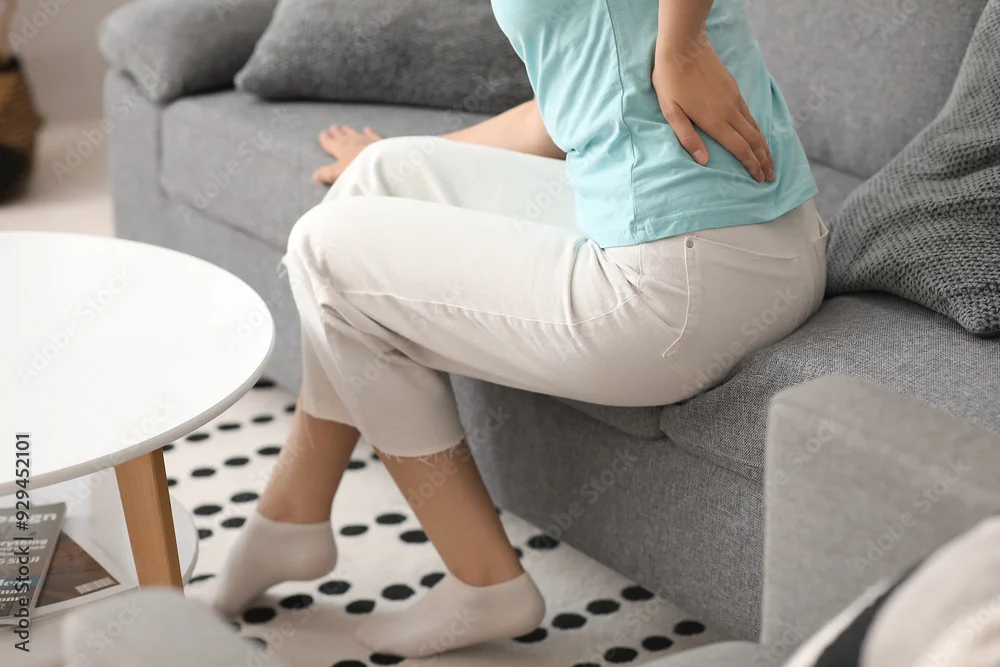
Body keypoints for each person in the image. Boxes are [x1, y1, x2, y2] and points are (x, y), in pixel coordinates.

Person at [210, 0, 827, 658]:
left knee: (323, 249)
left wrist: (680, 45)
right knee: (378, 176)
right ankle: (293, 511)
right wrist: (388, 156)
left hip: (681, 287)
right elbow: (560, 112)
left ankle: (482, 581)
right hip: (767, 245)